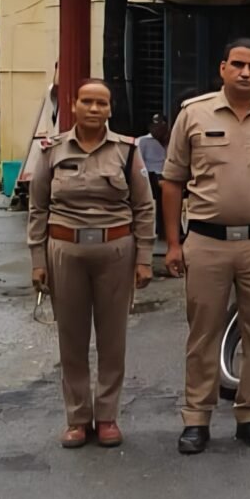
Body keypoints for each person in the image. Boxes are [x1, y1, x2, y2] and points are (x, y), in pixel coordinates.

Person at [161, 38, 250, 455]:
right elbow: (172, 181)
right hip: (207, 241)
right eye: (238, 64)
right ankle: (196, 419)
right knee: (202, 333)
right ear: (222, 68)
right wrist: (173, 243)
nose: (245, 72)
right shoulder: (193, 114)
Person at [27, 78, 155, 448]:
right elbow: (38, 209)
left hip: (115, 251)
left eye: (102, 103)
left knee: (113, 339)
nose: (95, 109)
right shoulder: (52, 150)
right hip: (64, 251)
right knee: (72, 338)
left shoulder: (126, 151)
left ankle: (108, 416)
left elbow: (144, 207)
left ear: (110, 109)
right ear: (74, 105)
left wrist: (144, 258)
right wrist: (38, 260)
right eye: (87, 102)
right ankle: (78, 418)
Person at [137, 113, 169, 239]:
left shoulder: (170, 141)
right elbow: (140, 163)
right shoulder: (143, 141)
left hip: (168, 176)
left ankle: (168, 231)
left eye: (162, 126)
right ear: (150, 127)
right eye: (156, 126)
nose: (159, 129)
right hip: (151, 177)